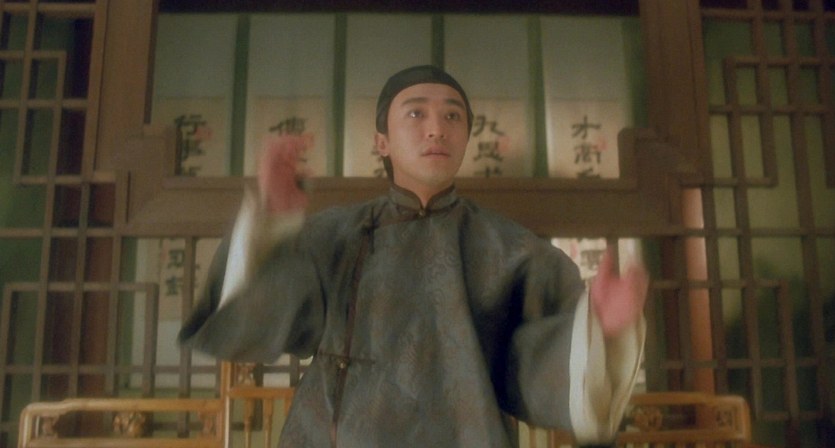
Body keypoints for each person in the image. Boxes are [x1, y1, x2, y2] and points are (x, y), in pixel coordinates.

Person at [179, 65, 648, 447]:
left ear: (466, 137)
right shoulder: (335, 235)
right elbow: (254, 319)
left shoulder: (515, 251)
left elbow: (539, 367)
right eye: (416, 113)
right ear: (381, 140)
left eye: (452, 116)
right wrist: (270, 225)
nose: (436, 129)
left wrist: (602, 331)